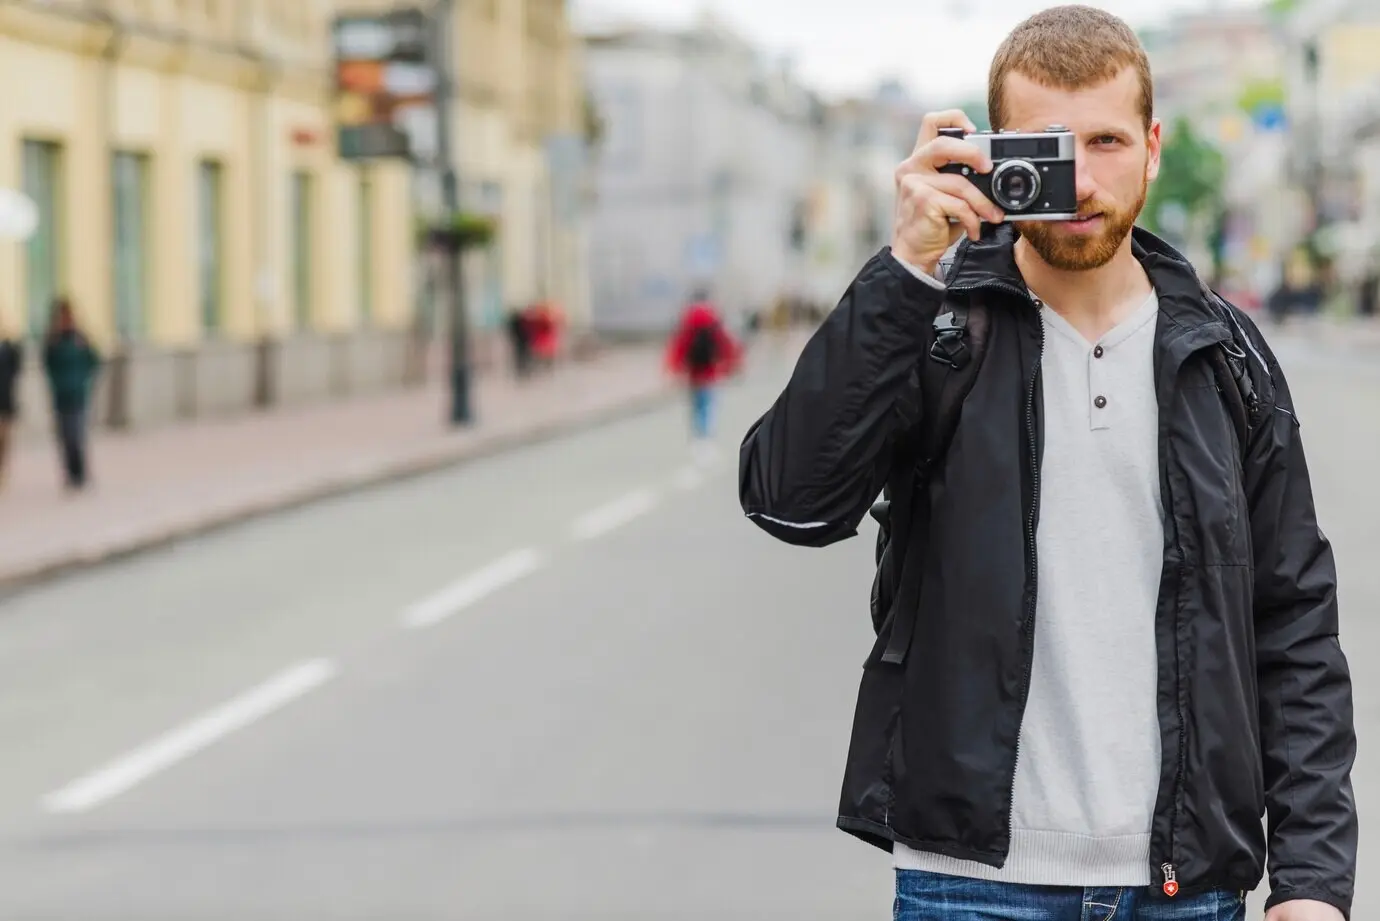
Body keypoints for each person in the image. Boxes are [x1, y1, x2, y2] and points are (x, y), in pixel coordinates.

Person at [738, 7, 1356, 921]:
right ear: (989, 153)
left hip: (1187, 887)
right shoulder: (936, 329)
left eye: (1105, 141)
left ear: (1152, 147)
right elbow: (790, 500)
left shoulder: (1228, 357)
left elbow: (1294, 622)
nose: (1081, 179)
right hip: (970, 884)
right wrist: (907, 262)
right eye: (1047, 148)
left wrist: (1310, 883)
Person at [665, 290, 739, 450]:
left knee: (695, 405)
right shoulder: (713, 319)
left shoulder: (688, 320)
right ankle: (706, 437)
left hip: (693, 373)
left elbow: (679, 346)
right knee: (708, 405)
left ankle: (697, 437)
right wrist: (731, 364)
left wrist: (674, 367)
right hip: (710, 372)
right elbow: (726, 344)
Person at [43, 297, 99, 491]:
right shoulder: (53, 341)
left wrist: (84, 380)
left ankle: (80, 474)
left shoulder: (80, 339)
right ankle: (70, 473)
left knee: (77, 434)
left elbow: (94, 360)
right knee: (64, 436)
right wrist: (56, 383)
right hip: (61, 396)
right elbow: (47, 364)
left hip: (79, 395)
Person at [0, 317, 22, 488]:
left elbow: (16, 372)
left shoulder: (9, 348)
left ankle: (2, 470)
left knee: (4, 438)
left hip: (5, 400)